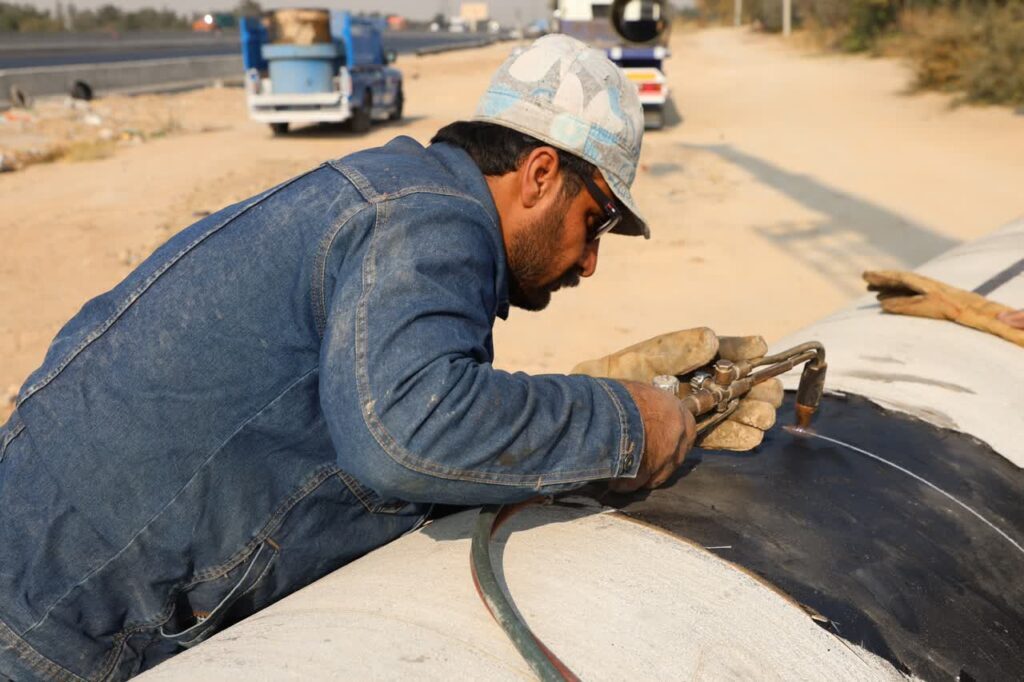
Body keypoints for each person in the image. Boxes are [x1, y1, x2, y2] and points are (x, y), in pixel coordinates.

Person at [0, 35, 779, 681]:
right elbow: (404, 434)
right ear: (541, 174)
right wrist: (625, 428)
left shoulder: (398, 192)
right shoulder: (432, 221)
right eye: (597, 220)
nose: (589, 263)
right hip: (51, 624)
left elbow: (385, 416)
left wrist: (554, 411)